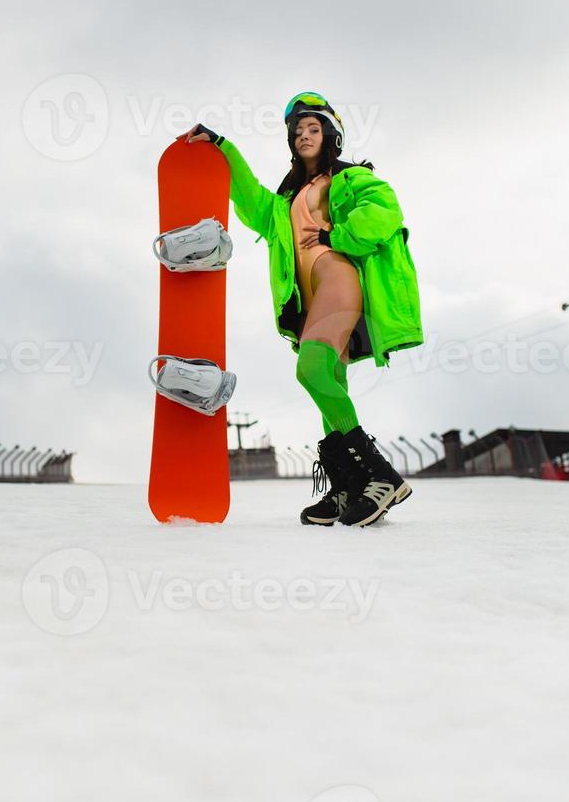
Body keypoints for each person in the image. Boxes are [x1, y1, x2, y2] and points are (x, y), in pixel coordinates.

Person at [179, 91, 423, 527]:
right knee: (329, 381)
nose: (304, 136)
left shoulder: (350, 179)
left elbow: (384, 212)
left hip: (336, 277)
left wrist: (337, 237)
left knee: (309, 371)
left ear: (332, 135)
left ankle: (380, 476)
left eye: (313, 128)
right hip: (310, 298)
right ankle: (349, 489)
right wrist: (222, 148)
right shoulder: (284, 199)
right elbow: (251, 200)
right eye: (297, 132)